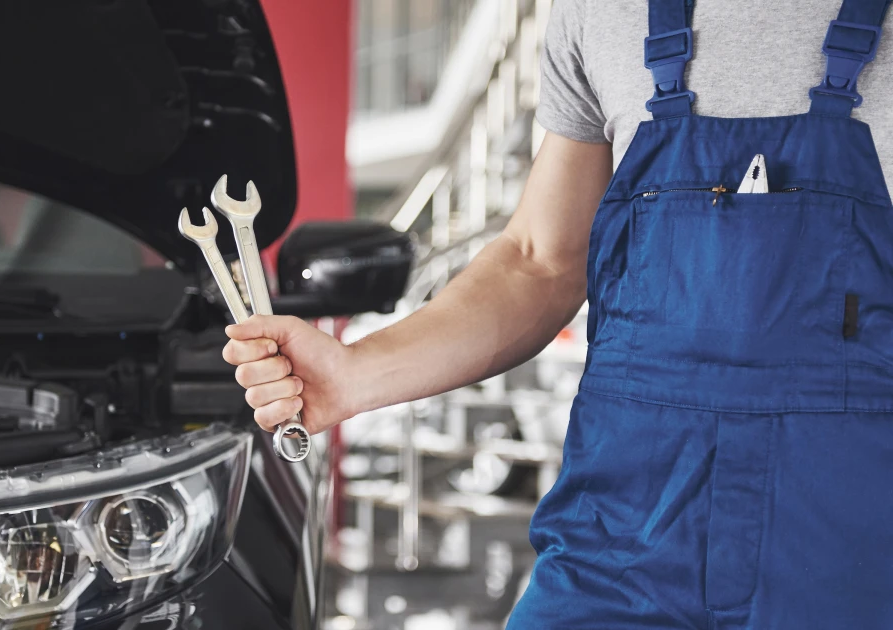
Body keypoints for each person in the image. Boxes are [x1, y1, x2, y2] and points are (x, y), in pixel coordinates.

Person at [224, 0, 893, 627]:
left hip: (855, 544)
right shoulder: (599, 9)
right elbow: (540, 262)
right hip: (623, 540)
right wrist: (354, 374)